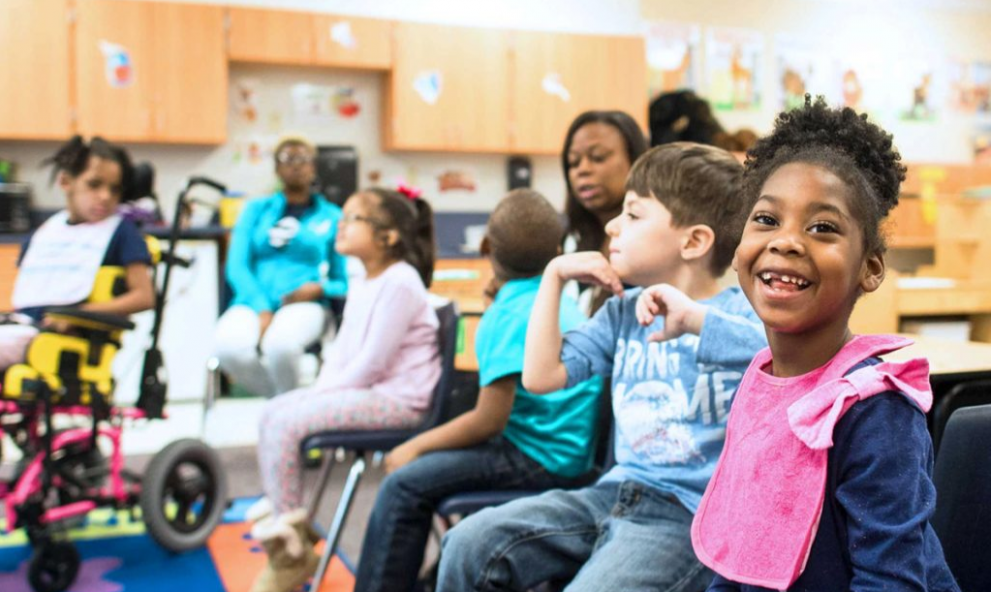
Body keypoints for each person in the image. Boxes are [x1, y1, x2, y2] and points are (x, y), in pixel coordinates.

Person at [436, 143, 767, 591]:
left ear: (693, 241)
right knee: (468, 544)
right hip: (611, 494)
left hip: (685, 516)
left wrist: (693, 320)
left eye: (632, 215)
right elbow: (541, 376)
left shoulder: (740, 316)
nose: (612, 226)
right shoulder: (622, 312)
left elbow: (783, 357)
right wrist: (553, 276)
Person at [691, 96, 959, 591]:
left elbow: (891, 584)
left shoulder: (877, 410)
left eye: (823, 228)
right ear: (737, 248)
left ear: (871, 268)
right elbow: (740, 557)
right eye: (767, 220)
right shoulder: (758, 380)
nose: (787, 241)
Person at [353, 189, 605, 592]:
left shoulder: (504, 315)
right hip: (571, 452)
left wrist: (415, 446)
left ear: (487, 248)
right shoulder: (560, 300)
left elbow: (489, 420)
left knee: (403, 484)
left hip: (537, 457)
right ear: (557, 250)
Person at [247, 187, 440, 592]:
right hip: (373, 392)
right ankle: (292, 532)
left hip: (399, 402)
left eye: (354, 218)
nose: (341, 224)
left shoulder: (400, 282)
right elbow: (343, 355)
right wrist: (319, 390)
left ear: (387, 237)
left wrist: (321, 396)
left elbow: (373, 363)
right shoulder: (364, 279)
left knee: (288, 423)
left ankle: (290, 552)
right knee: (272, 412)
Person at [0, 136, 154, 372]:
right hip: (23, 327)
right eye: (94, 185)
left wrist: (78, 315)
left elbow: (144, 297)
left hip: (64, 338)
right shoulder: (46, 232)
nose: (105, 196)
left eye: (114, 189)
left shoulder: (121, 233)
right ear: (66, 182)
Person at [214, 135, 347, 398]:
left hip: (304, 304)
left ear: (314, 167)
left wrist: (319, 289)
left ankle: (285, 410)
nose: (296, 165)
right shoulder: (255, 210)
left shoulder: (332, 216)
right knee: (228, 348)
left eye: (303, 159)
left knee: (281, 347)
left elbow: (344, 281)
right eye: (287, 159)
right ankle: (284, 403)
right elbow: (236, 266)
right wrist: (262, 308)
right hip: (252, 300)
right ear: (276, 168)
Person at [561, 110, 648, 314]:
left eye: (597, 157)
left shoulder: (650, 248)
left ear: (635, 161)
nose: (582, 169)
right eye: (573, 162)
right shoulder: (570, 240)